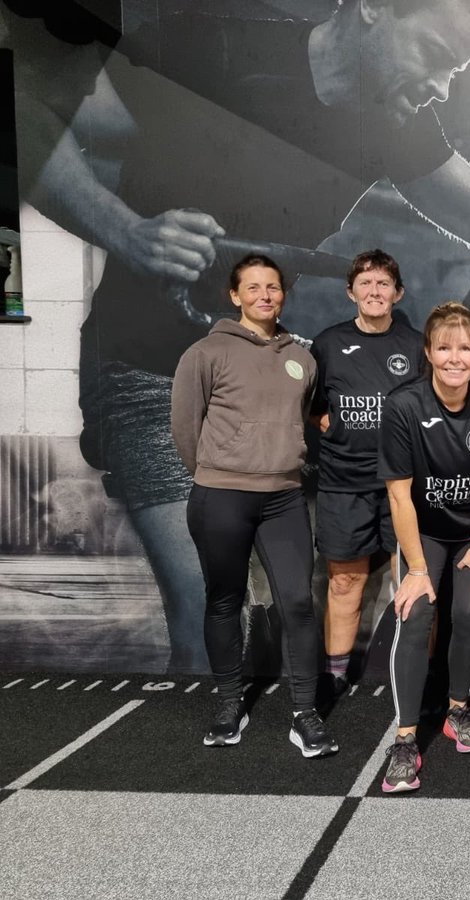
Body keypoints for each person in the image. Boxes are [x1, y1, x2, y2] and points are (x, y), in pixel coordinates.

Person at [8, 0, 470, 671]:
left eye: (457, 71)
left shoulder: (392, 119)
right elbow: (23, 114)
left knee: (288, 616)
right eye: (437, 57)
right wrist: (127, 231)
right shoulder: (205, 43)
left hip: (257, 385)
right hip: (147, 373)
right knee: (214, 614)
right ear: (371, 11)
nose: (442, 86)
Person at [170, 254, 337, 757]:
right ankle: (227, 703)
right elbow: (185, 427)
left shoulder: (302, 358)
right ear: (235, 295)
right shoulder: (205, 352)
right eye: (254, 287)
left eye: (274, 287)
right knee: (224, 600)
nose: (265, 295)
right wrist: (220, 472)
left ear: (283, 295)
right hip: (221, 497)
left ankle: (304, 714)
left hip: (284, 498)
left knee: (300, 604)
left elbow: (303, 418)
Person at [375, 302, 470, 793]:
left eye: (465, 348)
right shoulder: (405, 405)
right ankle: (406, 738)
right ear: (429, 353)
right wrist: (415, 568)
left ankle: (457, 711)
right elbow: (398, 494)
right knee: (417, 614)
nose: (455, 357)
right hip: (424, 533)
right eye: (444, 347)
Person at [310, 249, 422, 694]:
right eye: (366, 283)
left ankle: (420, 677)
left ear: (398, 293)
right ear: (350, 291)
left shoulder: (415, 345)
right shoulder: (328, 343)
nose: (374, 291)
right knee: (345, 582)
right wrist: (329, 423)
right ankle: (335, 674)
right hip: (344, 484)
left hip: (404, 488)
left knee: (413, 583)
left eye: (383, 284)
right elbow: (313, 408)